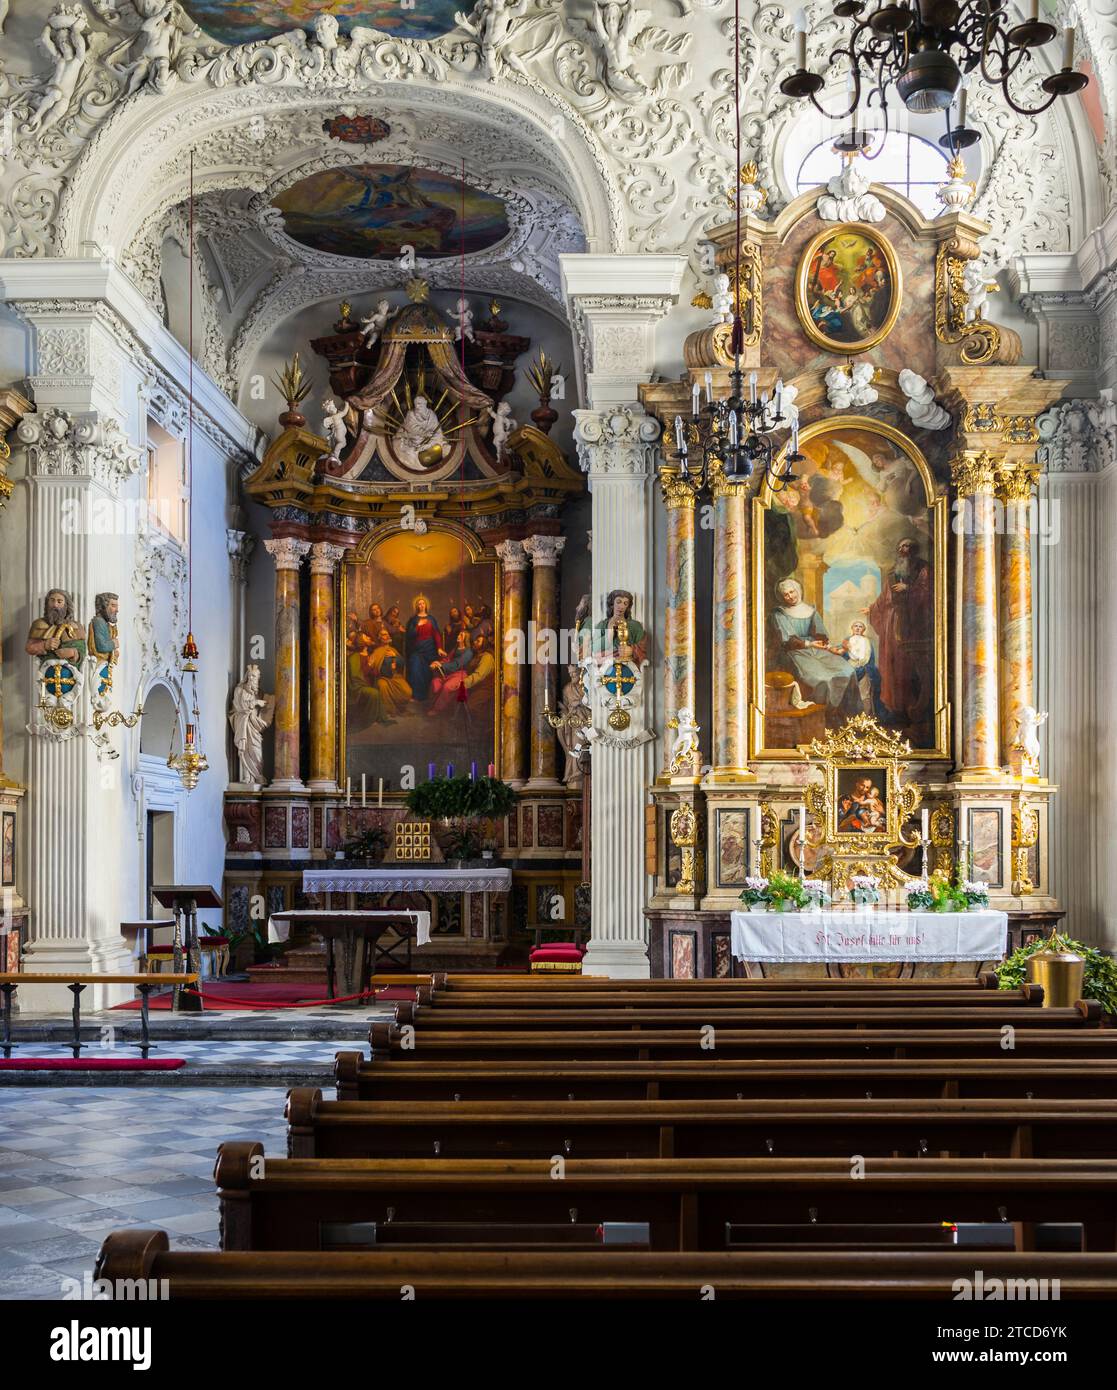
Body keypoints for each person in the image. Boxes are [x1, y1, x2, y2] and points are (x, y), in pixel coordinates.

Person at [866, 537, 933, 729]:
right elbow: (884, 597)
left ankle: (911, 708)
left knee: (907, 666)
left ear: (914, 550)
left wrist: (909, 589)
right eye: (901, 546)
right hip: (892, 623)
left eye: (908, 546)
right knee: (891, 663)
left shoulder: (923, 569)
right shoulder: (893, 572)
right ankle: (894, 708)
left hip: (914, 625)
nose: (904, 549)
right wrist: (871, 609)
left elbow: (929, 592)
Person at [769, 578, 861, 717]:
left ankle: (850, 716)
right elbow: (787, 640)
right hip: (795, 652)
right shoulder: (779, 613)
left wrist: (830, 647)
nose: (790, 596)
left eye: (792, 591)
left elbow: (820, 635)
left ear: (798, 590)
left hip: (817, 649)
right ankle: (825, 717)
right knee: (821, 678)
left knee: (847, 670)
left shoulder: (810, 610)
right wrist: (808, 644)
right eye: (786, 594)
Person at [428, 632, 495, 715]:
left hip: (474, 682)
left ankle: (438, 709)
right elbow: (448, 659)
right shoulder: (472, 653)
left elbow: (476, 674)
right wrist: (438, 663)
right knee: (436, 683)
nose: (474, 642)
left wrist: (464, 682)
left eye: (478, 641)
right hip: (455, 674)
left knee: (448, 687)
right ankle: (434, 706)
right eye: (475, 640)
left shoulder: (480, 655)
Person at [404, 596, 443, 700]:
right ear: (417, 606)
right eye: (419, 604)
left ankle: (428, 695)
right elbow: (409, 635)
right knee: (415, 668)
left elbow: (436, 634)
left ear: (426, 605)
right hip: (417, 649)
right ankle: (417, 695)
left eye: (423, 603)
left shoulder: (431, 619)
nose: (421, 605)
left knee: (428, 670)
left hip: (430, 649)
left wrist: (439, 647)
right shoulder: (413, 620)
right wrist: (418, 626)